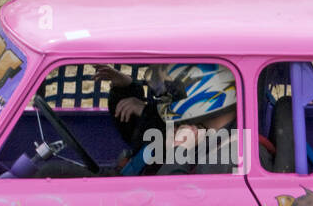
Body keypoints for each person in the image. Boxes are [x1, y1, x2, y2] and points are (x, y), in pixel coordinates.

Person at [38, 63, 240, 176]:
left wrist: (179, 151)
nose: (164, 100)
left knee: (50, 172)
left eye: (172, 93)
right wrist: (125, 87)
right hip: (125, 183)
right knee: (50, 173)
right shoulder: (191, 127)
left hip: (135, 203)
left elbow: (174, 205)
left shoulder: (230, 153)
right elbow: (142, 133)